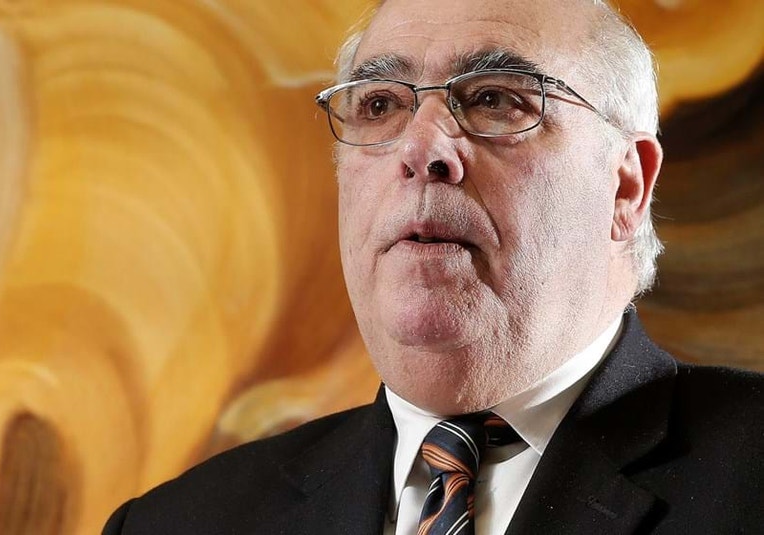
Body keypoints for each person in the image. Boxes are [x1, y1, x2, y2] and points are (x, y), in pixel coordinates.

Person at [103, 0, 763, 533]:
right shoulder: (178, 522)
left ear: (625, 187)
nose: (420, 148)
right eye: (380, 105)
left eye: (495, 99)